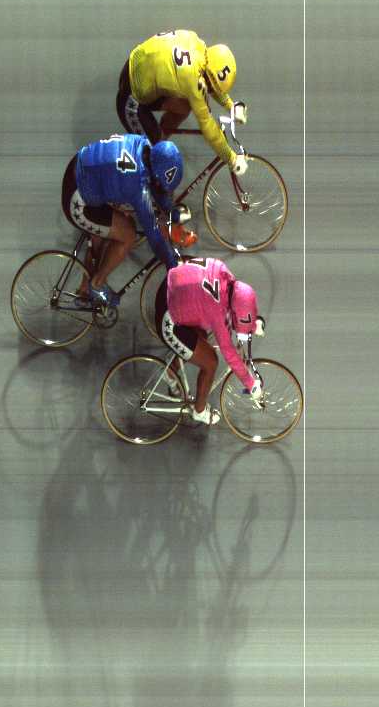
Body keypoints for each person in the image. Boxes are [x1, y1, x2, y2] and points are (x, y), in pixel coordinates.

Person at [116, 29, 249, 247]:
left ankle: (158, 141)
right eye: (210, 86)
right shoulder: (192, 79)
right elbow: (207, 125)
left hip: (138, 70)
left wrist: (230, 105)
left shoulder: (198, 45)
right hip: (132, 100)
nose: (210, 90)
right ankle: (167, 224)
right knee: (162, 165)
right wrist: (230, 157)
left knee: (184, 107)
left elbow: (211, 82)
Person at [61, 133, 187, 308]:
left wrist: (171, 211)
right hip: (78, 200)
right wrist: (171, 264)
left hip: (82, 168)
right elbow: (154, 237)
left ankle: (85, 286)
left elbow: (156, 186)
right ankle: (96, 285)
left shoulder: (143, 142)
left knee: (110, 227)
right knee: (128, 234)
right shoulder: (137, 187)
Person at [153, 256, 264, 425]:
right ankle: (199, 411)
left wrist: (252, 325)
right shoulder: (217, 310)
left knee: (201, 340)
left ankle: (170, 372)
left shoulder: (224, 272)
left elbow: (237, 308)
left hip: (170, 288)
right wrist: (250, 384)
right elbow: (229, 352)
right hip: (168, 319)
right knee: (210, 362)